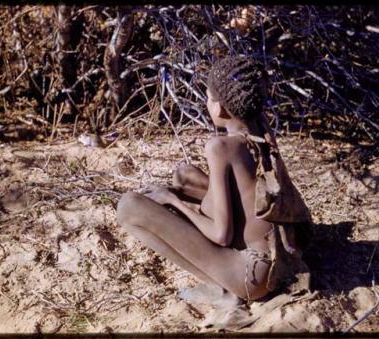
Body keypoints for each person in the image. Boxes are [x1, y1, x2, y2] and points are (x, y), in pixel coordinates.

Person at [116, 55, 311, 302]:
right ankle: (222, 275)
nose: (207, 104)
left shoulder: (220, 147)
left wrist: (172, 202)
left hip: (253, 274)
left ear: (218, 107)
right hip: (279, 252)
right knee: (184, 176)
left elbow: (222, 236)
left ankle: (222, 287)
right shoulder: (260, 127)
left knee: (128, 207)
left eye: (208, 98)